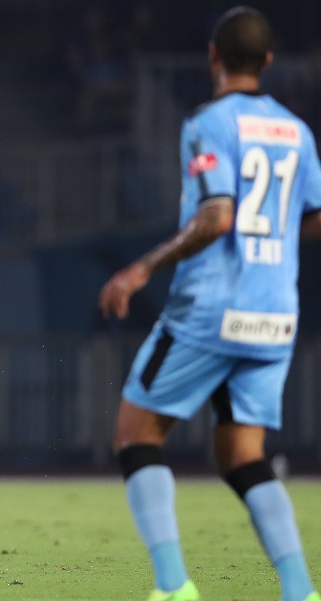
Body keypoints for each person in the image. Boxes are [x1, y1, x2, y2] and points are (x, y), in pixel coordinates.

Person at [98, 7, 321, 601]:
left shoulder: (208, 122)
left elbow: (217, 215)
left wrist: (142, 268)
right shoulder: (297, 131)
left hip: (212, 307)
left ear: (213, 56)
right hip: (275, 314)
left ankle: (173, 587)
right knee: (242, 454)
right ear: (268, 61)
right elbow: (314, 216)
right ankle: (300, 590)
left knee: (136, 435)